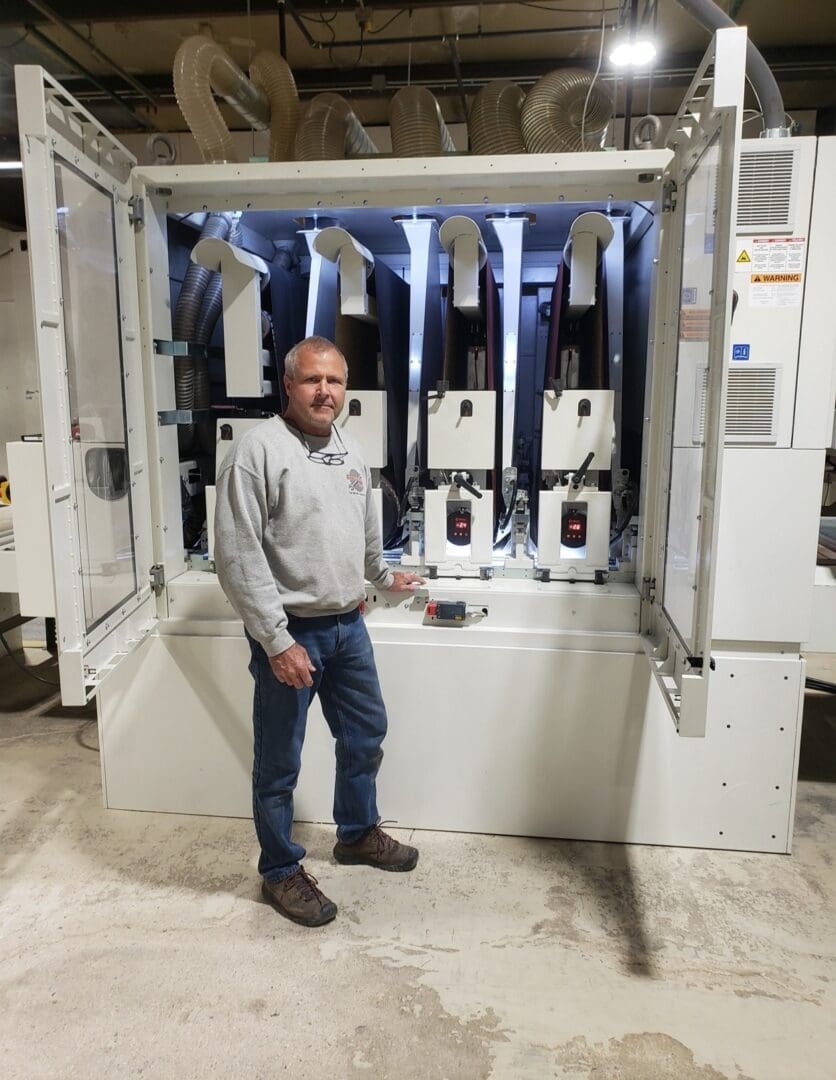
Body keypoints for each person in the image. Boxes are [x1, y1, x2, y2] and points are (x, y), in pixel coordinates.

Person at [214, 335, 424, 927]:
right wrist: (275, 640)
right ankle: (280, 870)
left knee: (366, 735)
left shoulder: (351, 452)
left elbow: (363, 537)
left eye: (334, 381)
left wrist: (384, 576)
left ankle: (356, 834)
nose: (324, 392)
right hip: (293, 633)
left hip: (348, 627)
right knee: (279, 761)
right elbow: (237, 556)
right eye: (312, 380)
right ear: (289, 384)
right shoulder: (256, 452)